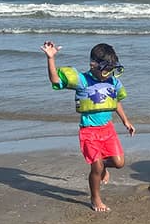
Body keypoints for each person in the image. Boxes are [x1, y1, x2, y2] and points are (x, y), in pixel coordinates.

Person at [42, 41, 135, 212]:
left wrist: (125, 121)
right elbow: (55, 80)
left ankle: (103, 167)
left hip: (108, 130)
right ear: (93, 65)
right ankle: (95, 199)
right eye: (106, 70)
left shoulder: (113, 82)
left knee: (119, 162)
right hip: (89, 132)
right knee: (96, 166)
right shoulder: (82, 80)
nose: (108, 75)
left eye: (112, 71)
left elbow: (115, 102)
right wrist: (51, 59)